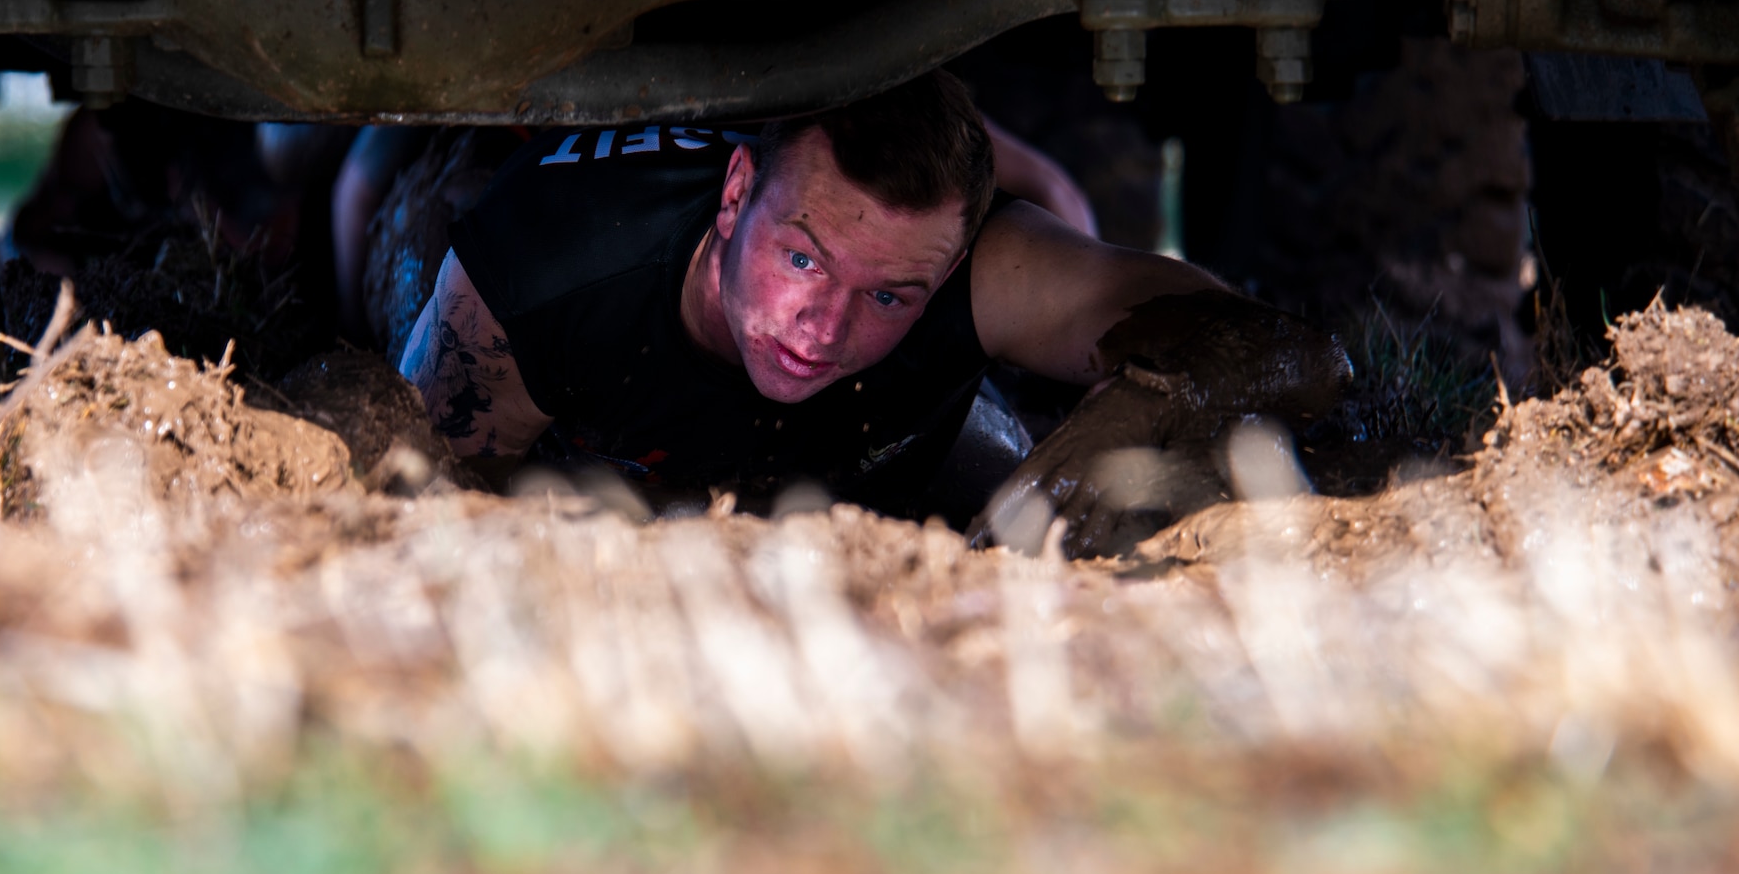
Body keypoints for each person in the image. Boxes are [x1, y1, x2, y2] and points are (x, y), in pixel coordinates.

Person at [399, 72, 1349, 554]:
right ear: (734, 199)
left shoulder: (986, 264)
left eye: (890, 294)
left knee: (995, 469)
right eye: (802, 257)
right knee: (385, 211)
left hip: (855, 444)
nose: (821, 328)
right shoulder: (541, 273)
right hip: (484, 207)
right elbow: (419, 505)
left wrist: (1114, 438)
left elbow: (1283, 352)